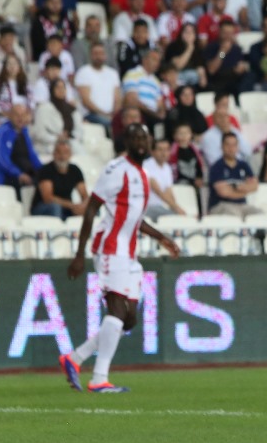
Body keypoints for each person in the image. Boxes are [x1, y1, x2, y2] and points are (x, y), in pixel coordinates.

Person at [59, 123, 183, 394]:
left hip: (129, 253)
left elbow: (134, 218)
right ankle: (98, 379)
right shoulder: (117, 170)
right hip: (110, 249)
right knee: (116, 311)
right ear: (127, 142)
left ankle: (75, 358)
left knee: (129, 320)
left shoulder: (142, 173)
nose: (141, 141)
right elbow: (92, 208)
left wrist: (161, 238)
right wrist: (79, 254)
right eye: (135, 137)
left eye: (144, 137)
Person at [0, 102, 41, 190]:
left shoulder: (24, 132)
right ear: (9, 116)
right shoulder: (0, 133)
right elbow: (0, 159)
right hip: (4, 179)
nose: (20, 118)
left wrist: (44, 171)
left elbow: (32, 155)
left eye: (23, 115)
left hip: (22, 175)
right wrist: (18, 174)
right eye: (17, 115)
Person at [208, 131, 263, 219]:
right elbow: (223, 192)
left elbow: (254, 186)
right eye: (228, 145)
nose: (231, 148)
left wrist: (232, 188)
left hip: (242, 205)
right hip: (221, 205)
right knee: (233, 215)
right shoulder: (217, 166)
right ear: (222, 146)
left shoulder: (243, 165)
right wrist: (242, 189)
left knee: (259, 214)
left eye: (234, 145)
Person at [32, 136, 89, 219]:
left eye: (65, 152)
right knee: (55, 207)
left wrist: (83, 206)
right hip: (43, 208)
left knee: (91, 209)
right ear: (54, 154)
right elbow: (48, 198)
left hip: (67, 207)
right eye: (59, 152)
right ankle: (58, 232)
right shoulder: (46, 170)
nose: (62, 156)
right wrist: (71, 205)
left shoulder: (75, 170)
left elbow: (84, 195)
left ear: (70, 154)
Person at [143, 137, 191, 221]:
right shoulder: (146, 165)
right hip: (147, 207)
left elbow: (168, 191)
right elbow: (158, 191)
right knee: (175, 218)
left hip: (160, 207)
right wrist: (176, 208)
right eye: (160, 150)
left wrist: (176, 208)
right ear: (152, 152)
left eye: (166, 150)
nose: (163, 153)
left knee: (179, 217)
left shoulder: (167, 168)